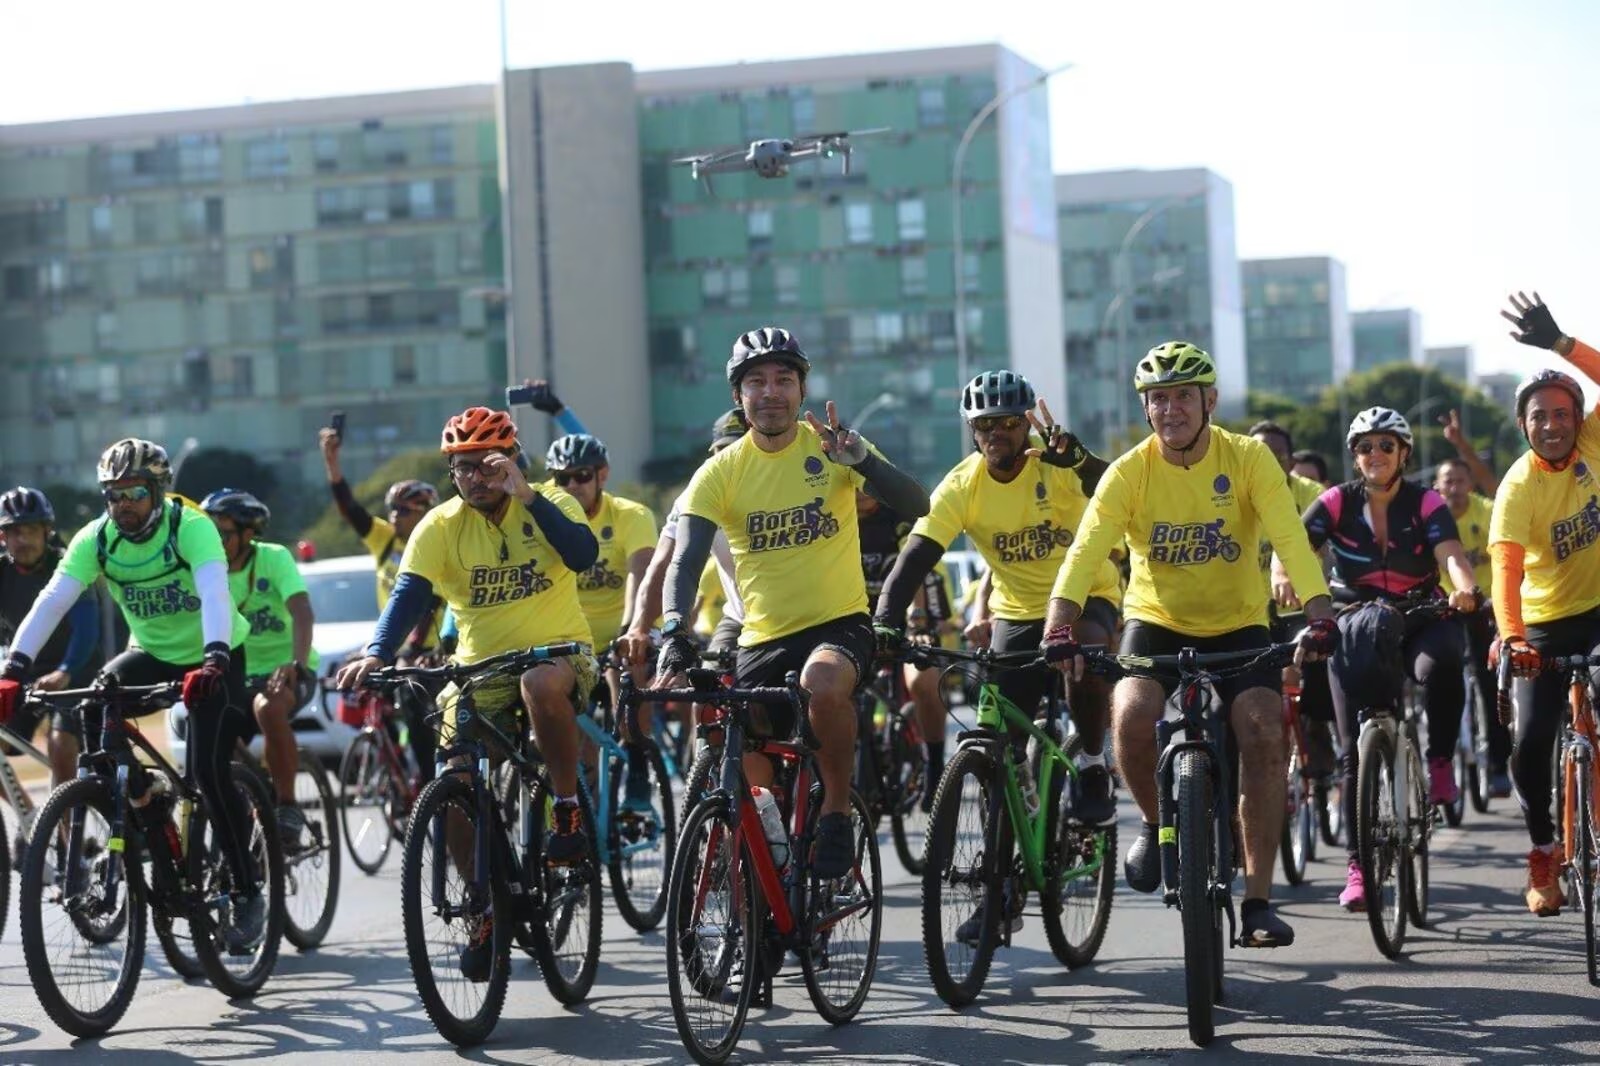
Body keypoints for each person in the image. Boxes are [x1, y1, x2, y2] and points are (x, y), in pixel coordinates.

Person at [1044, 341, 1337, 948]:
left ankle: (1257, 899)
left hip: (1240, 622)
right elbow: (1086, 551)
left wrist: (1319, 614)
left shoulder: (1250, 458)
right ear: (1146, 409)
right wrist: (1059, 624)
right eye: (1158, 400)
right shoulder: (1130, 471)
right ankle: (1156, 825)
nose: (1170, 409)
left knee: (1261, 727)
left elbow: (1289, 539)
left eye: (1182, 396)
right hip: (1157, 617)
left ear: (1210, 401)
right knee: (1130, 713)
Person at [652, 327, 929, 878]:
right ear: (739, 397)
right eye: (756, 381)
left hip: (840, 624)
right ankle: (774, 841)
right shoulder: (719, 473)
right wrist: (675, 631)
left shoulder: (833, 446)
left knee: (821, 685)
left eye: (784, 379)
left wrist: (864, 463)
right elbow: (684, 561)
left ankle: (834, 814)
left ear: (802, 390)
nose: (771, 392)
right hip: (761, 636)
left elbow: (917, 503)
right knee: (722, 721)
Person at [333, 406, 599, 978]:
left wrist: (527, 496)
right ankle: (483, 903)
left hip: (559, 655)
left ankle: (568, 810)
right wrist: (377, 651)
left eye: (486, 465)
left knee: (537, 682)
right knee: (451, 781)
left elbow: (581, 555)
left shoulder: (551, 501)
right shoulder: (439, 526)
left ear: (512, 462)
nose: (475, 478)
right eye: (462, 468)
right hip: (479, 669)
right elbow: (408, 595)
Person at [0, 439, 266, 952]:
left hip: (217, 652)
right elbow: (53, 599)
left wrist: (213, 658)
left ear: (159, 492)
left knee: (210, 773)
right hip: (152, 650)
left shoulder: (190, 528)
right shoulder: (96, 540)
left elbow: (214, 590)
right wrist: (14, 670)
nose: (123, 504)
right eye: (113, 494)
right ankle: (145, 798)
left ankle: (247, 888)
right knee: (97, 702)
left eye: (135, 493)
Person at [876, 370, 1120, 858]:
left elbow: (1124, 491)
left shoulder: (1056, 464)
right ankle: (998, 886)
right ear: (971, 429)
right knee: (997, 749)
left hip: (1086, 596)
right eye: (985, 425)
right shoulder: (962, 486)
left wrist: (1082, 461)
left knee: (1086, 660)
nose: (996, 434)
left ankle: (1093, 763)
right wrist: (885, 617)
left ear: (1027, 424)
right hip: (1017, 612)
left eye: (1009, 422)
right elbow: (916, 557)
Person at [1283, 407, 1481, 912]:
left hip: (1421, 614)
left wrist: (1465, 589)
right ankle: (1357, 867)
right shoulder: (1335, 501)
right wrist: (1282, 577)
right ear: (1355, 456)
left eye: (1386, 446)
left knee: (1441, 666)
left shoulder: (1426, 500)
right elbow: (1293, 547)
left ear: (1404, 454)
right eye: (1365, 447)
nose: (1375, 455)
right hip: (1354, 619)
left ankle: (1438, 763)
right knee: (1353, 754)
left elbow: (1453, 554)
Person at [1488, 291, 1600, 916]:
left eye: (1562, 413)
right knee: (1530, 745)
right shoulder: (1516, 489)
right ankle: (1542, 850)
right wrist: (1517, 640)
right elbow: (1505, 574)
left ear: (1577, 418)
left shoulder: (1594, 445)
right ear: (1524, 425)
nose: (1552, 425)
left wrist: (1563, 346)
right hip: (1544, 627)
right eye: (1539, 417)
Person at [317, 426, 442, 780]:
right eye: (391, 509)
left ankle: (428, 778)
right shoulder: (385, 541)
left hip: (429, 646)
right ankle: (394, 766)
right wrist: (332, 463)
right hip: (391, 643)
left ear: (424, 512)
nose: (393, 516)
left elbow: (428, 605)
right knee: (363, 694)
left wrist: (412, 649)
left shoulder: (438, 541)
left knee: (413, 701)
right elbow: (350, 509)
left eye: (403, 510)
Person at [200, 488, 317, 846]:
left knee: (269, 707)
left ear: (248, 534)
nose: (215, 542)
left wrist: (295, 662)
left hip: (284, 670)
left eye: (223, 534)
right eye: (209, 534)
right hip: (233, 674)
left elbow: (301, 612)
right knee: (206, 733)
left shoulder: (274, 558)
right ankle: (253, 790)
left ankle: (288, 805)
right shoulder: (203, 567)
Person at [1250, 422, 1338, 781]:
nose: (1269, 460)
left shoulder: (1313, 494)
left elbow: (1334, 551)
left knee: (1316, 653)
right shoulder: (1231, 491)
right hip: (1249, 611)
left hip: (1301, 607)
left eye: (1278, 454)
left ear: (1290, 461)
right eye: (1260, 454)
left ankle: (1316, 726)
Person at [0, 487, 100, 785]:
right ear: (3, 537)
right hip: (27, 670)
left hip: (78, 670)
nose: (24, 540)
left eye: (31, 530)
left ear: (47, 531)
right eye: (14, 532)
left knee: (60, 744)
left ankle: (64, 828)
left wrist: (66, 672)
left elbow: (86, 629)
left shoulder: (69, 567)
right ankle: (30, 817)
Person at [1434, 442, 1513, 798]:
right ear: (1437, 487)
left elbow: (1498, 490)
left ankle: (1498, 765)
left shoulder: (1486, 511)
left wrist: (1463, 444)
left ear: (1470, 483)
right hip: (1442, 610)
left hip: (1486, 609)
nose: (1454, 487)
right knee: (1438, 682)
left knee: (1489, 683)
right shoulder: (1432, 518)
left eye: (1460, 480)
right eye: (1447, 481)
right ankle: (1441, 764)